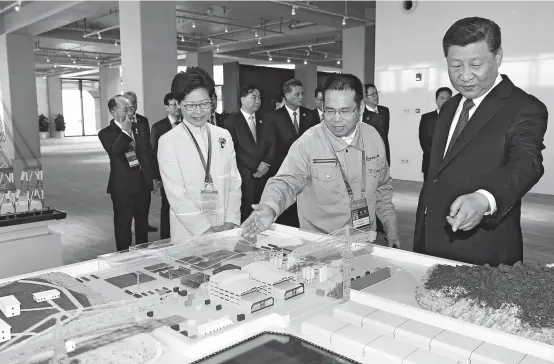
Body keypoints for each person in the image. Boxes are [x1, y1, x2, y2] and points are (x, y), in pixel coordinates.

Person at [414, 17, 548, 266]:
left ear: (497, 58)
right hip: (431, 242)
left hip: (483, 250)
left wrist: (486, 198)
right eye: (455, 66)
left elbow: (527, 163)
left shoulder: (525, 108)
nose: (465, 77)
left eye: (476, 65)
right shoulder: (450, 107)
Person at [241, 73, 400, 247]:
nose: (336, 118)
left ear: (360, 107)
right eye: (330, 110)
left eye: (345, 110)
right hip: (320, 247)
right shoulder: (308, 142)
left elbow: (382, 187)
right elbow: (285, 182)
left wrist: (391, 227)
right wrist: (269, 207)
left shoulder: (373, 138)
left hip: (365, 242)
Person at [158, 67, 242, 239]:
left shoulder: (223, 135)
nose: (198, 111)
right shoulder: (168, 141)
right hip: (189, 231)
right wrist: (207, 232)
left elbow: (234, 182)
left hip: (226, 226)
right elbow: (176, 195)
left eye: (204, 104)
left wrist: (231, 222)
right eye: (190, 105)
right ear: (179, 104)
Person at [98, 95, 155, 251]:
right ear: (113, 111)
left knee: (142, 223)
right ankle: (123, 256)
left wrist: (152, 178)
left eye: (131, 108)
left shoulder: (140, 128)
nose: (130, 112)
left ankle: (143, 253)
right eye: (126, 109)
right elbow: (115, 151)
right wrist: (124, 132)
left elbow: (148, 155)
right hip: (122, 187)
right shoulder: (106, 133)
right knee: (123, 225)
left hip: (142, 184)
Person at [266, 78, 318, 228]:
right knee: (286, 210)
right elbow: (271, 145)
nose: (301, 97)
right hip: (283, 168)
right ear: (287, 95)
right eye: (297, 94)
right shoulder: (274, 118)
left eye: (302, 94)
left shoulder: (310, 116)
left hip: (306, 171)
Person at [224, 85, 275, 222]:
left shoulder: (266, 120)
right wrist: (255, 166)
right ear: (242, 99)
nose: (258, 101)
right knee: (245, 213)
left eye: (259, 98)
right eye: (254, 97)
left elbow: (272, 144)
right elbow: (233, 149)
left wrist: (266, 163)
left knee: (263, 212)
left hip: (264, 175)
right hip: (244, 175)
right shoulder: (231, 121)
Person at [123, 90, 158, 233]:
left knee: (143, 211)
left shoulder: (143, 120)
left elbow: (147, 149)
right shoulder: (119, 122)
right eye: (129, 103)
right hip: (127, 175)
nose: (132, 106)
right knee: (127, 214)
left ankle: (143, 232)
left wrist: (152, 175)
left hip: (143, 174)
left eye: (134, 102)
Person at [150, 93, 182, 239]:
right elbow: (153, 153)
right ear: (166, 108)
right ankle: (166, 239)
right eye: (173, 105)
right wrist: (157, 177)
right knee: (167, 207)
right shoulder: (158, 127)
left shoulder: (187, 124)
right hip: (167, 175)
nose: (176, 108)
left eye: (178, 104)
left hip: (185, 174)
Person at [419, 87, 453, 180]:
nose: (445, 101)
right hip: (430, 161)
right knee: (429, 190)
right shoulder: (426, 118)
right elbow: (424, 141)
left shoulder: (457, 118)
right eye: (442, 98)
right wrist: (437, 158)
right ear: (436, 100)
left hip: (450, 163)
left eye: (448, 98)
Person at [361, 84, 390, 166]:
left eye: (376, 93)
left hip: (384, 149)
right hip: (369, 153)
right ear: (365, 97)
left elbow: (385, 132)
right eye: (372, 94)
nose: (376, 96)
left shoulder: (385, 110)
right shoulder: (361, 113)